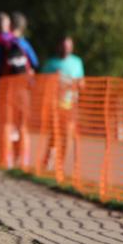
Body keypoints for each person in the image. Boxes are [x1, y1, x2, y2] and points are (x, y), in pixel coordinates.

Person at [0, 12, 37, 169]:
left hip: (3, 89)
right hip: (22, 89)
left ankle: (5, 159)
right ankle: (23, 160)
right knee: (22, 124)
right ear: (9, 26)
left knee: (5, 124)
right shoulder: (21, 42)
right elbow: (35, 62)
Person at [39, 36, 85, 174]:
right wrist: (54, 79)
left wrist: (74, 84)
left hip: (70, 105)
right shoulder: (50, 63)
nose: (66, 49)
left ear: (72, 48)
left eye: (69, 47)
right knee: (54, 133)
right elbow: (42, 83)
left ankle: (60, 165)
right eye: (64, 46)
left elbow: (82, 83)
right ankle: (48, 161)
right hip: (54, 105)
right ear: (59, 47)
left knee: (67, 135)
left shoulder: (77, 62)